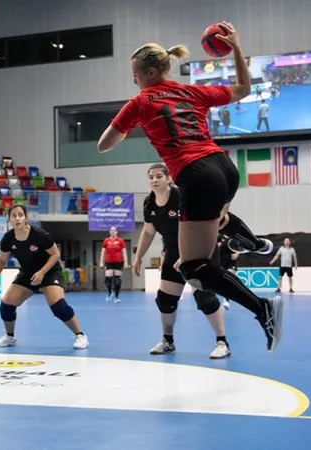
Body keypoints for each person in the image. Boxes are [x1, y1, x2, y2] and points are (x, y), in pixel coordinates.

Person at [97, 22, 283, 352]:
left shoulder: (140, 102)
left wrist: (129, 125)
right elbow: (242, 88)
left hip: (195, 174)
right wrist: (237, 48)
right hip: (225, 168)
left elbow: (104, 145)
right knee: (214, 219)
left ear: (151, 72)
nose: (134, 81)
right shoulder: (191, 91)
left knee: (192, 267)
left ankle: (262, 309)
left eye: (136, 75)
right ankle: (253, 242)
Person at [132, 163, 230, 359]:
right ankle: (168, 341)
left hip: (197, 249)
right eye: (151, 177)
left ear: (168, 178)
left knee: (204, 298)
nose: (154, 180)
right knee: (165, 300)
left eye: (159, 176)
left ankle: (222, 342)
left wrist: (187, 257)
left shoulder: (181, 197)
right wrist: (138, 257)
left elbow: (201, 226)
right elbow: (148, 231)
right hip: (172, 253)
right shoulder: (148, 204)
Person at [0, 205, 89, 350]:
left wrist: (42, 272)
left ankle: (80, 335)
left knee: (58, 306)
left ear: (26, 218)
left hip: (49, 271)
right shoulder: (8, 238)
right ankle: (9, 337)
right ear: (9, 220)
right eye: (14, 216)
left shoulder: (39, 234)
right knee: (6, 305)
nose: (17, 218)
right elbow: (2, 260)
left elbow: (55, 254)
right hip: (28, 273)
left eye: (20, 215)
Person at [100, 226, 129, 303]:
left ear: (117, 232)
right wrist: (101, 262)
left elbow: (124, 251)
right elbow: (103, 252)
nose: (113, 232)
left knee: (117, 281)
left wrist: (126, 262)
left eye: (114, 230)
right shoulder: (106, 241)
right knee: (108, 280)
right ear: (109, 232)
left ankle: (116, 296)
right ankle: (110, 292)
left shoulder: (120, 241)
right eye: (112, 230)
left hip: (118, 262)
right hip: (109, 262)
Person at [216, 235, 238, 309]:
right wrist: (217, 245)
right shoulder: (220, 236)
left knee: (229, 280)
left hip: (231, 262)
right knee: (222, 282)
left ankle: (226, 300)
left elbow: (241, 247)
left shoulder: (234, 237)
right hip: (221, 262)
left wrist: (237, 253)